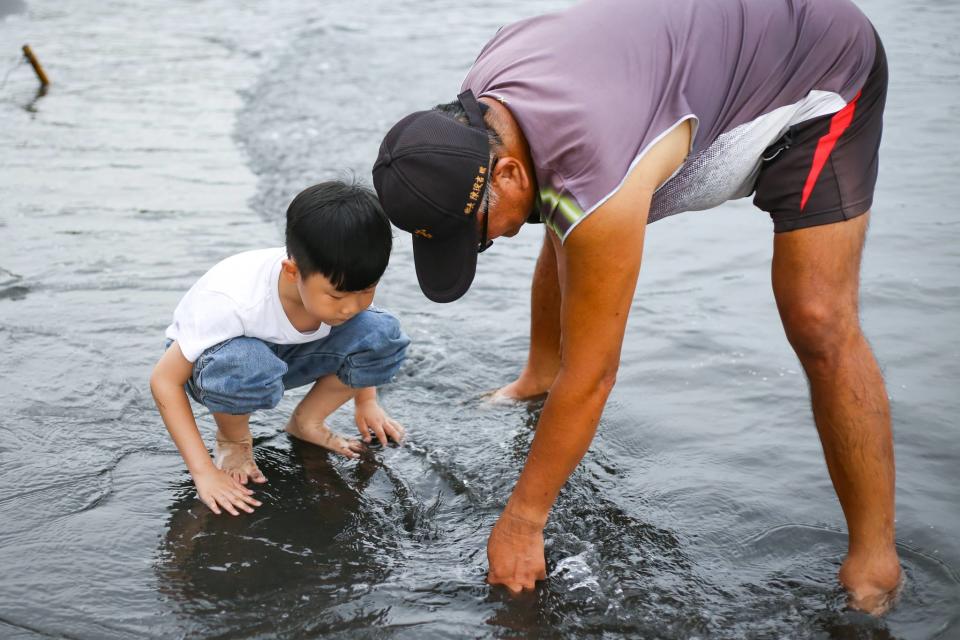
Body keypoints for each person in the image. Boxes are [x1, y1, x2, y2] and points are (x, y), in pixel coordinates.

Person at [372, 0, 900, 614]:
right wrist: (545, 375)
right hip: (688, 64)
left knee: (817, 318)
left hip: (820, 66)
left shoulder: (598, 174)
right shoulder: (479, 111)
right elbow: (555, 210)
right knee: (561, 210)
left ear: (509, 171)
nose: (489, 244)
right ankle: (535, 375)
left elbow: (594, 374)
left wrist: (522, 521)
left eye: (480, 234)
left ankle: (876, 560)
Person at [151, 181, 410, 517]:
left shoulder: (340, 279)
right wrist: (204, 473)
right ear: (292, 272)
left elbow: (363, 334)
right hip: (214, 365)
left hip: (281, 356)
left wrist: (367, 400)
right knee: (246, 363)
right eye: (337, 296)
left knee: (382, 332)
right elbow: (163, 381)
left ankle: (307, 421)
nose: (350, 307)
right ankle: (234, 439)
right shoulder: (232, 303)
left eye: (367, 290)